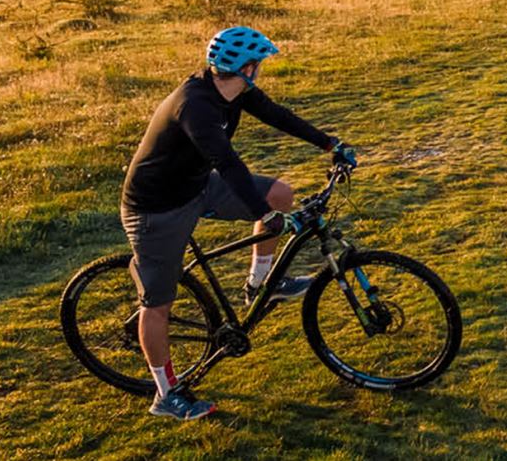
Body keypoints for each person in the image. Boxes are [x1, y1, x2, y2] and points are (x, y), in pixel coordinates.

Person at [119, 26, 357, 420]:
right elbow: (227, 164)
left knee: (279, 193)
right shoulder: (195, 105)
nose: (260, 70)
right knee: (158, 305)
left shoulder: (234, 91)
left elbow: (277, 115)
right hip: (156, 209)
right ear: (247, 67)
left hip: (195, 187)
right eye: (258, 64)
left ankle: (261, 283)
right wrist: (264, 216)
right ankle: (166, 395)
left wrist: (329, 142)